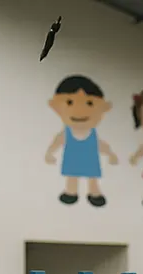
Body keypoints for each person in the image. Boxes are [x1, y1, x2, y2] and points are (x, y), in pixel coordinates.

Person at [45, 75, 119, 206]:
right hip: (72, 160)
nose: (80, 110)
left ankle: (94, 193)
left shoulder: (92, 134)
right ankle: (71, 193)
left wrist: (110, 154)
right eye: (69, 103)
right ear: (55, 107)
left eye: (89, 103)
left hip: (90, 160)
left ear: (104, 108)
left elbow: (100, 145)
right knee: (72, 177)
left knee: (92, 178)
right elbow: (57, 142)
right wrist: (49, 153)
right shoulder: (66, 133)